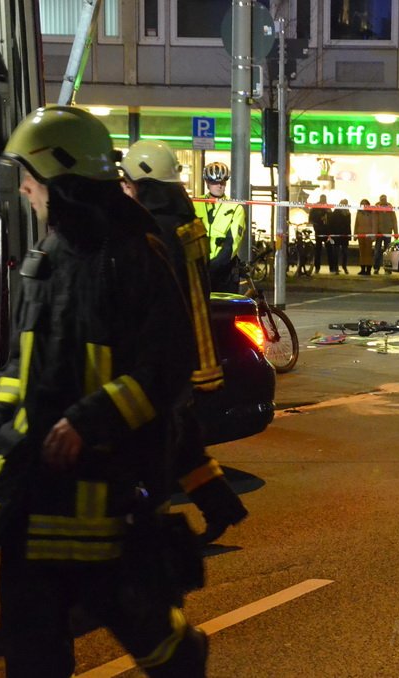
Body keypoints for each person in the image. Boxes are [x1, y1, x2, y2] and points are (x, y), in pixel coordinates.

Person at [0, 105, 207, 676]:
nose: (26, 191)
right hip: (34, 501)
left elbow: (167, 365)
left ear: (62, 176)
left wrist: (88, 421)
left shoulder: (135, 254)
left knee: (157, 644)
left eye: (30, 177)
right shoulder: (43, 259)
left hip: (108, 506)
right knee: (31, 652)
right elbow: (19, 367)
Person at [121, 139, 249, 546]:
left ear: (142, 181)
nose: (122, 188)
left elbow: (154, 294)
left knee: (157, 441)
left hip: (165, 352)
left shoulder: (154, 226)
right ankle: (221, 507)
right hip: (189, 347)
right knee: (182, 438)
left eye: (126, 181)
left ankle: (152, 534)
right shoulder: (183, 217)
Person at [193, 161, 246, 293]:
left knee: (225, 312)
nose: (219, 185)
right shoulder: (195, 203)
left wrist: (213, 267)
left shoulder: (235, 207)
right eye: (215, 182)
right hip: (198, 269)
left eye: (223, 182)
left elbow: (232, 243)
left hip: (224, 272)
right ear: (207, 183)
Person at [308, 193, 332, 274]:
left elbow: (332, 218)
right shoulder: (315, 207)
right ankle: (317, 267)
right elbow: (311, 218)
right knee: (318, 250)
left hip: (327, 231)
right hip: (319, 230)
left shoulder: (328, 207)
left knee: (329, 250)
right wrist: (319, 220)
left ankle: (331, 268)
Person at [373, 194, 398, 274]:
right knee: (377, 251)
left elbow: (394, 220)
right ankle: (376, 268)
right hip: (379, 232)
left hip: (388, 232)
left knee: (387, 251)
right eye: (382, 199)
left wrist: (396, 233)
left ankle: (387, 269)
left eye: (384, 199)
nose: (383, 200)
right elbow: (374, 220)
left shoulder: (390, 208)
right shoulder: (376, 209)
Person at [327, 198, 352, 274]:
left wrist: (349, 235)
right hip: (337, 235)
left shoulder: (348, 213)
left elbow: (348, 225)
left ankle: (344, 266)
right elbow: (331, 224)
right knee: (336, 252)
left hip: (344, 235)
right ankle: (336, 267)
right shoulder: (336, 212)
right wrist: (331, 234)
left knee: (344, 252)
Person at [354, 198, 376, 275]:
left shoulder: (371, 213)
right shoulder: (359, 212)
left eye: (365, 203)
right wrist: (355, 234)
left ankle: (368, 269)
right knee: (362, 252)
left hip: (368, 235)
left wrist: (373, 236)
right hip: (360, 234)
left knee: (368, 252)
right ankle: (362, 268)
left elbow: (374, 224)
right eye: (362, 204)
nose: (363, 205)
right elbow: (356, 224)